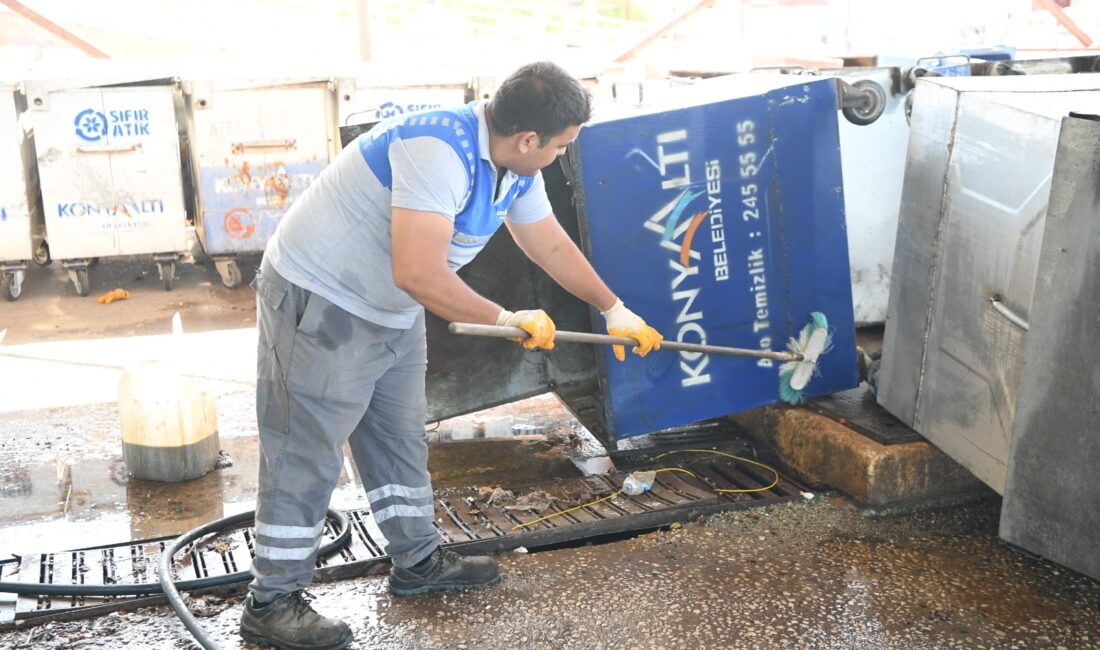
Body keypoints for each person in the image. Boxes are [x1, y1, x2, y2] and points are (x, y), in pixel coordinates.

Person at [239, 61, 663, 650]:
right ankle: (273, 601)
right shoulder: (436, 149)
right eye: (561, 146)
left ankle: (417, 561)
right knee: (305, 449)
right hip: (325, 301)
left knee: (397, 436)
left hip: (389, 308)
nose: (562, 156)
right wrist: (505, 319)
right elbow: (416, 271)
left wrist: (613, 307)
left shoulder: (514, 164)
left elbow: (545, 240)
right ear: (528, 139)